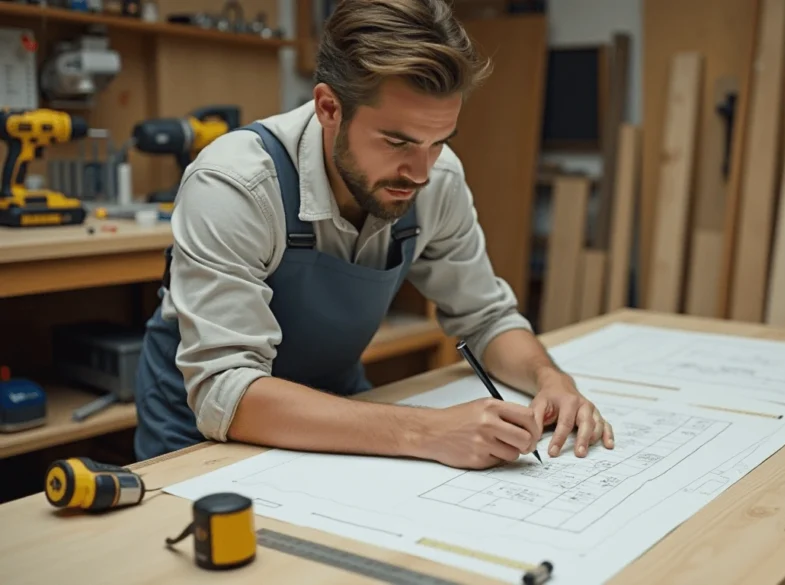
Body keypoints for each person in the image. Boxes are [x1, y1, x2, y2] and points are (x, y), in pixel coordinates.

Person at [132, 0, 614, 468]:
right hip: (200, 438)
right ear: (328, 108)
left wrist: (550, 379)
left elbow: (485, 318)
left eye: (438, 142)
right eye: (397, 141)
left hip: (340, 414)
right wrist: (426, 431)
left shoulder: (436, 179)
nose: (421, 172)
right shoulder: (235, 184)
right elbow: (226, 391)